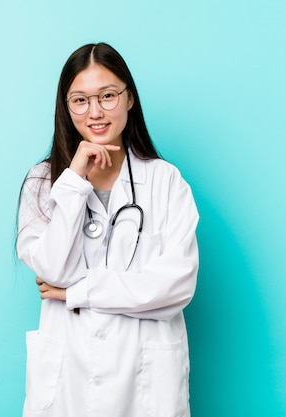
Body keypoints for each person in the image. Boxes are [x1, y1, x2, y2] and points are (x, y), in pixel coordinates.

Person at [16, 42, 199, 417]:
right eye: (80, 100)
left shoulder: (166, 181)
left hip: (146, 384)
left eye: (108, 96)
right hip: (68, 382)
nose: (95, 112)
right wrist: (74, 180)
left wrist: (78, 292)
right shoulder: (42, 182)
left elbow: (176, 286)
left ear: (129, 98)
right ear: (65, 107)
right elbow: (52, 269)